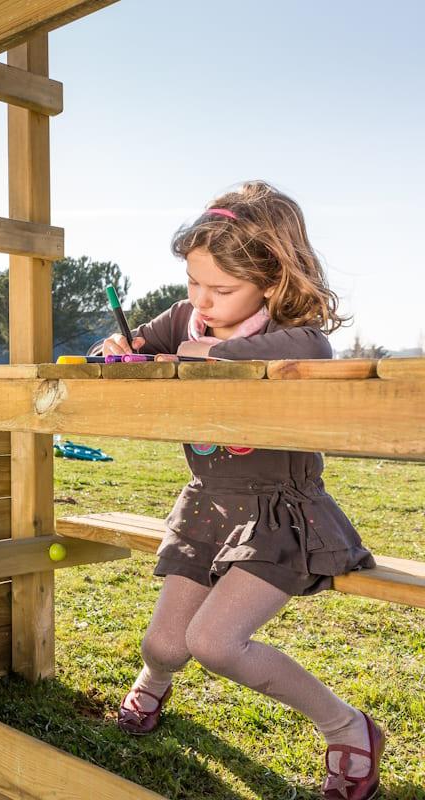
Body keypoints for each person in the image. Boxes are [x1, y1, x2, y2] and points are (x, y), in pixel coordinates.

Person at [94, 181, 384, 800]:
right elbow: (133, 346)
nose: (201, 300)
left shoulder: (295, 330)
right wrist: (119, 347)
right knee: (165, 643)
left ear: (271, 283)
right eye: (193, 282)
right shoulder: (184, 317)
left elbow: (312, 348)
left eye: (221, 290)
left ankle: (349, 729)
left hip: (280, 516)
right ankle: (154, 679)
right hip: (208, 508)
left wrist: (214, 351)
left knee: (214, 643)